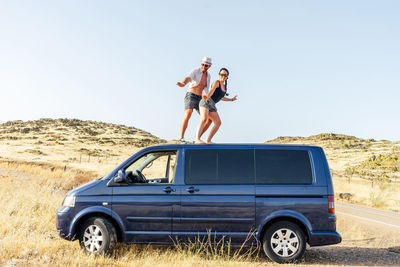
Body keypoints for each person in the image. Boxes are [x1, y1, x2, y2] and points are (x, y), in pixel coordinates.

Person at [195, 68, 237, 144]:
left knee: (218, 123)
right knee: (204, 119)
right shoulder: (216, 82)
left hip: (212, 105)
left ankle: (208, 140)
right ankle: (197, 139)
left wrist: (231, 99)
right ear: (219, 75)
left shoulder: (224, 87)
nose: (223, 76)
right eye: (222, 74)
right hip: (206, 101)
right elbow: (212, 90)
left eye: (225, 75)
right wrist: (207, 97)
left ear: (227, 76)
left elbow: (221, 97)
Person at [176, 56, 212, 143]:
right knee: (188, 113)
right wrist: (183, 83)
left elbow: (207, 89)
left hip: (201, 98)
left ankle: (197, 138)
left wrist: (208, 99)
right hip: (191, 95)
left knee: (208, 119)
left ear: (209, 66)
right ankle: (181, 138)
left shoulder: (209, 76)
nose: (204, 66)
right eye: (203, 64)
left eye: (206, 65)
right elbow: (188, 78)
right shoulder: (195, 71)